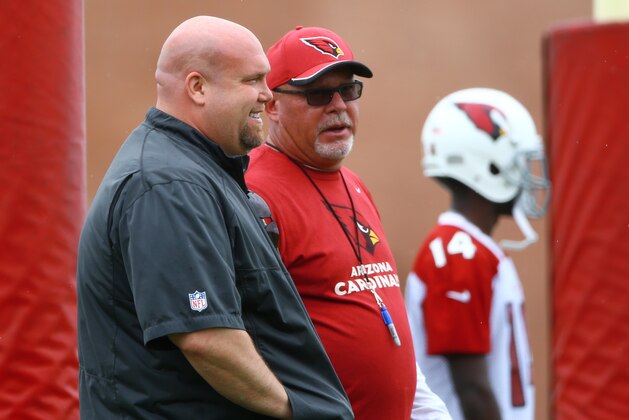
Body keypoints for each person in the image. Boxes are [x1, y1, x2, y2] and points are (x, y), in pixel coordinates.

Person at [76, 16, 354, 419]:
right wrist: (302, 410)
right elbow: (207, 337)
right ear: (198, 87)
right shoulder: (169, 184)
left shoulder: (199, 170)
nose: (266, 95)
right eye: (252, 80)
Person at [245, 26, 451, 420]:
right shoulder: (253, 192)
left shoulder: (353, 185)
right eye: (319, 93)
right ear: (271, 105)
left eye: (349, 90)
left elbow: (380, 316)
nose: (338, 105)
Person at [404, 88, 551, 420]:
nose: (528, 175)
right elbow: (472, 388)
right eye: (518, 162)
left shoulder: (476, 250)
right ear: (488, 165)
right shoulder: (459, 255)